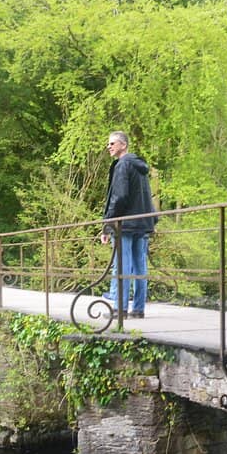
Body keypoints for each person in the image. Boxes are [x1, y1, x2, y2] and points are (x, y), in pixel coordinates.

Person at [102, 130, 156, 318]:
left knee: (122, 265)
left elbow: (119, 197)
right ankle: (138, 309)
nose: (108, 147)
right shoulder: (140, 168)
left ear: (123, 145)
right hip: (142, 222)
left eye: (112, 143)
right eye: (108, 144)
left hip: (125, 224)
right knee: (140, 265)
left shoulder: (122, 165)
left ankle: (120, 310)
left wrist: (108, 225)